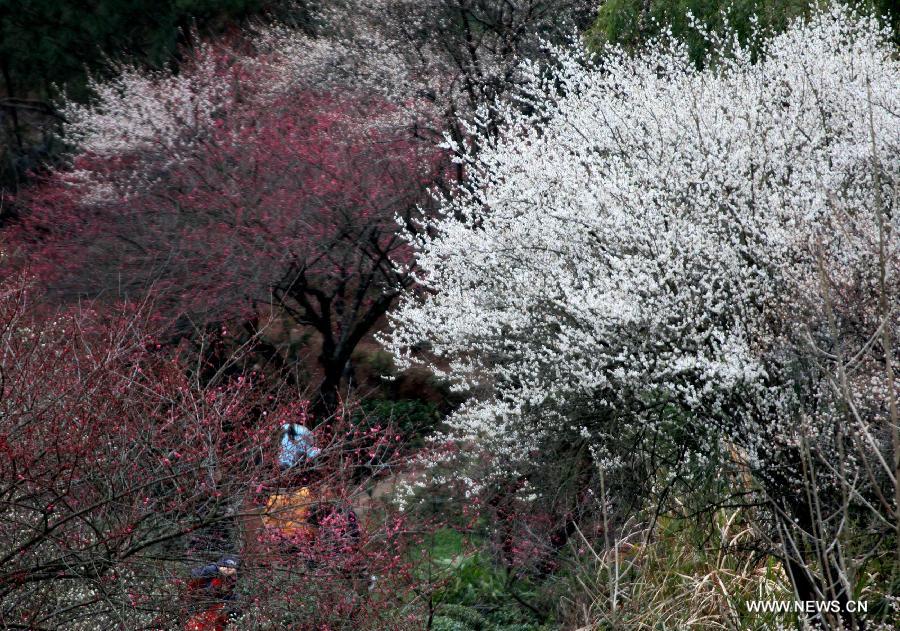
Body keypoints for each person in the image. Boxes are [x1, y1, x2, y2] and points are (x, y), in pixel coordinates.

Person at [183, 555, 240, 631]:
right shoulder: (211, 570)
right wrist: (216, 569)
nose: (228, 569)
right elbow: (194, 574)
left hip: (212, 610)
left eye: (231, 567)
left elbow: (228, 597)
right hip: (196, 606)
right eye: (225, 566)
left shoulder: (232, 580)